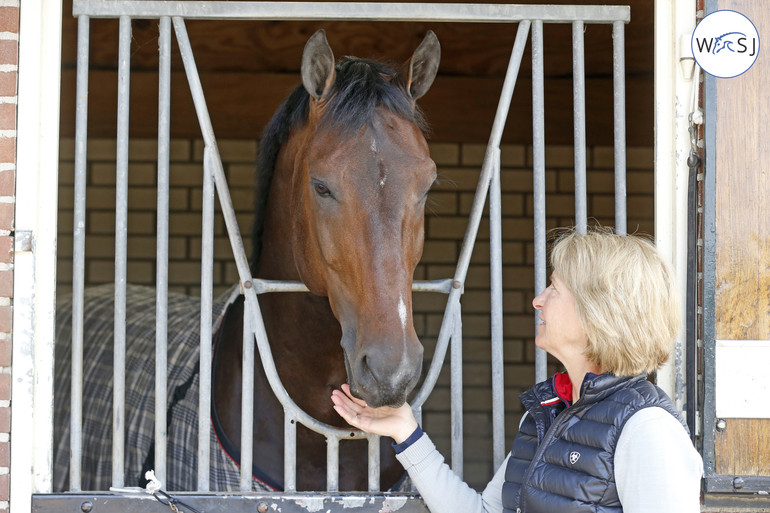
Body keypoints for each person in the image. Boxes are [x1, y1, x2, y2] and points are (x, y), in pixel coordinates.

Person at [332, 227, 703, 513]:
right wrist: (405, 430)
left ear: (600, 311)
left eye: (554, 288)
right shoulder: (547, 413)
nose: (537, 300)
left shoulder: (646, 428)